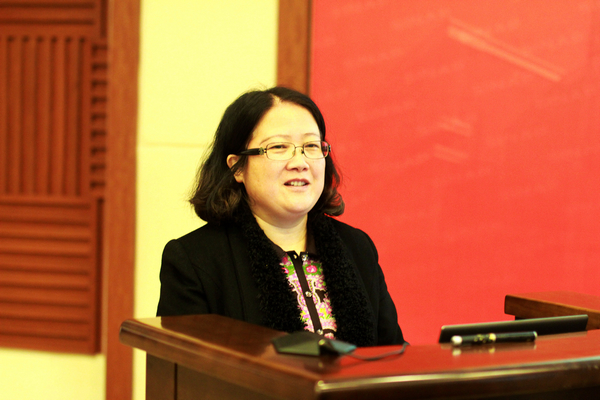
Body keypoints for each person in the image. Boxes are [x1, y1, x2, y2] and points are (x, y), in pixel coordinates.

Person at [157, 86, 405, 346]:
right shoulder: (194, 260)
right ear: (237, 168)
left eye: (311, 146)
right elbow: (182, 367)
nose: (300, 162)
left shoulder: (357, 247)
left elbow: (393, 355)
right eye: (278, 147)